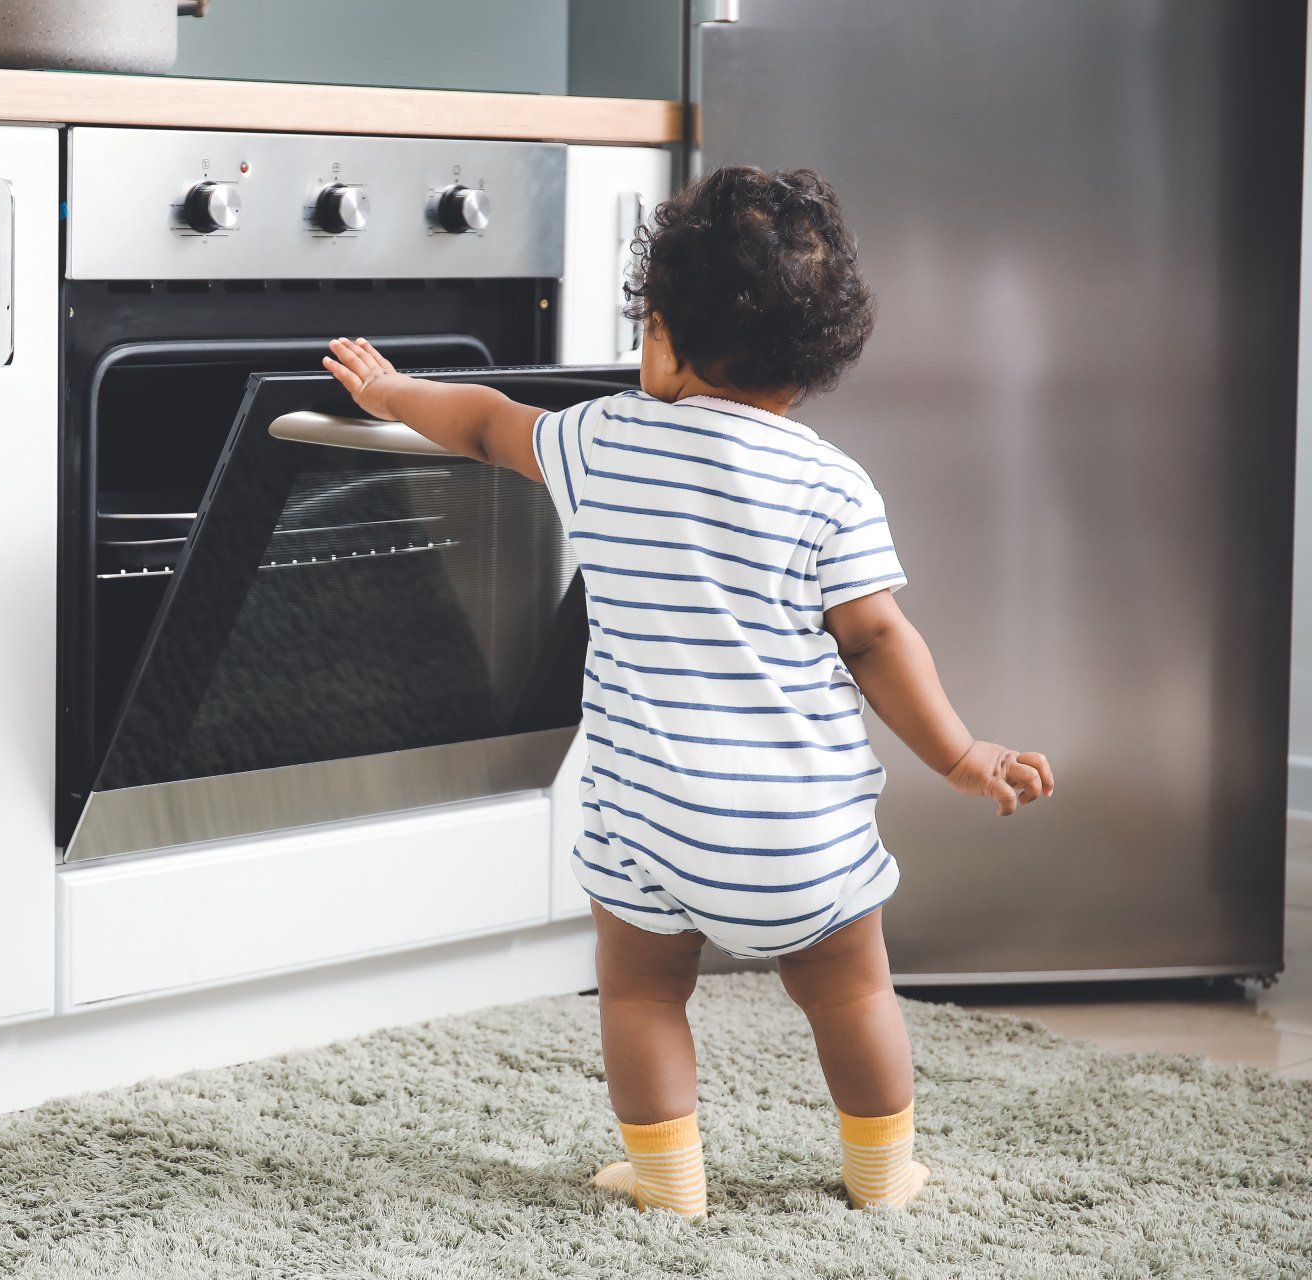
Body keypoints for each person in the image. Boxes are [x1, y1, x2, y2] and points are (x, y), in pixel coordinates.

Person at [321, 165, 1054, 1219]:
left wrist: (391, 392)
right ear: (817, 360)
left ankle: (669, 1184)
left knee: (641, 992)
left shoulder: (601, 440)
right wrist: (960, 753)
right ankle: (882, 1174)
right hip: (801, 824)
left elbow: (483, 421)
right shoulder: (832, 486)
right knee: (852, 990)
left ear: (660, 336)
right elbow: (877, 638)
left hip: (650, 816)